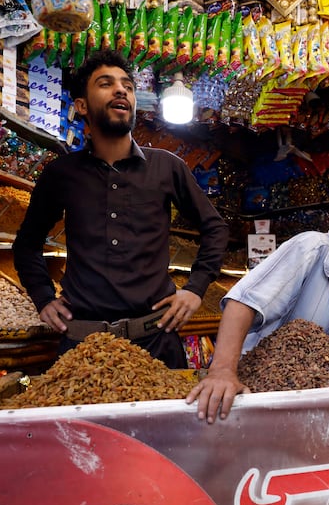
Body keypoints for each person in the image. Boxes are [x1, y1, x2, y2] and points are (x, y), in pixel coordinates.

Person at [13, 50, 229, 369]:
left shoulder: (167, 167)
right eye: (106, 83)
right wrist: (43, 297)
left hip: (158, 343)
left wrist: (195, 289)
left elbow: (216, 228)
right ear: (82, 105)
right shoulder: (61, 174)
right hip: (82, 347)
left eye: (127, 85)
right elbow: (26, 245)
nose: (121, 90)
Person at [187, 163, 329, 423]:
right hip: (261, 388)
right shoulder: (309, 249)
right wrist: (223, 371)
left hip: (325, 398)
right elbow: (242, 303)